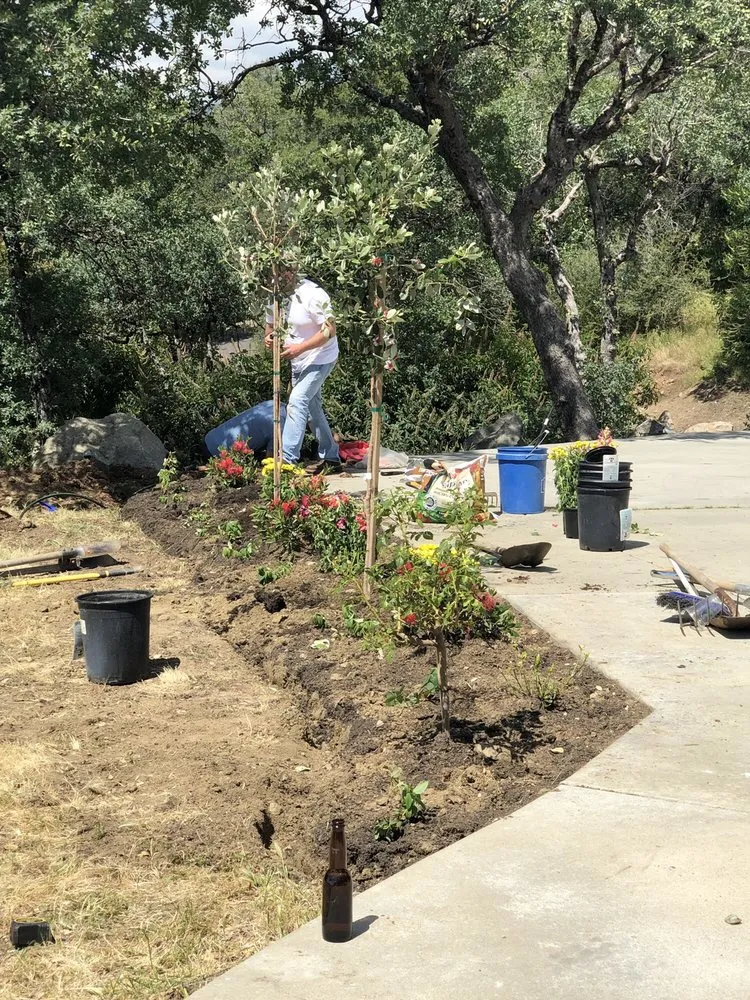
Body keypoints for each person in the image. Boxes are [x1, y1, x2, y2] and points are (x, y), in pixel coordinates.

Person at [265, 269, 342, 472]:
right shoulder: (274, 294)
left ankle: (288, 460)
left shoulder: (313, 294)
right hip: (297, 361)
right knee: (311, 408)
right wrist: (269, 337)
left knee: (297, 401)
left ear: (292, 272)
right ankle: (332, 456)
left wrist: (300, 348)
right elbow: (270, 325)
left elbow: (330, 330)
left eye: (281, 274)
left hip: (321, 357)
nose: (277, 279)